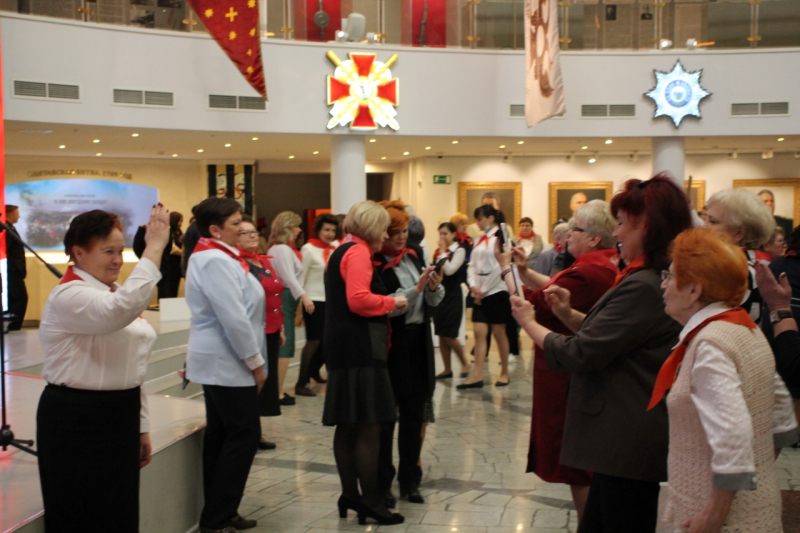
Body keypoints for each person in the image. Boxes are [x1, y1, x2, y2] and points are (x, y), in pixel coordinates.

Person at [509, 174, 693, 533]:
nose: (617, 233)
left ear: (647, 227)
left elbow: (582, 352)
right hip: (622, 439)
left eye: (622, 224)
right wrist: (567, 314)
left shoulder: (644, 284)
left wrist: (529, 323)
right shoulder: (642, 276)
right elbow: (609, 336)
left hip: (626, 437)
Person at [37, 206, 169, 533]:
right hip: (77, 419)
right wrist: (154, 248)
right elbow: (118, 312)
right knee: (81, 514)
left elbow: (132, 365)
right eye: (108, 251)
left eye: (120, 251)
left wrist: (141, 424)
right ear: (79, 252)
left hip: (120, 412)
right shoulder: (70, 295)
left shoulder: (110, 290)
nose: (118, 260)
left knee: (118, 513)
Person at [659, 228, 798, 532]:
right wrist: (758, 468)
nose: (664, 285)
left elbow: (733, 430)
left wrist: (714, 513)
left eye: (670, 276)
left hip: (719, 521)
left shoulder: (711, 343)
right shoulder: (745, 329)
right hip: (757, 510)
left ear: (694, 290)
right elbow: (782, 419)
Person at [496, 200, 619, 523]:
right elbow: (554, 287)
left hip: (567, 375)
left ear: (593, 238)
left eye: (576, 229)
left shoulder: (587, 273)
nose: (568, 235)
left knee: (579, 467)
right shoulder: (602, 264)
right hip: (576, 370)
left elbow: (528, 304)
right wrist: (524, 271)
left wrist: (505, 269)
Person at [322, 200, 407, 526]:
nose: (386, 235)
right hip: (360, 347)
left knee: (348, 424)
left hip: (344, 346)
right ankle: (370, 500)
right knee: (370, 424)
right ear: (372, 228)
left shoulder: (342, 250)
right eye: (383, 228)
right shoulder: (358, 252)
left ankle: (351, 495)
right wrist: (393, 302)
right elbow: (358, 300)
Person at [185, 197, 267, 533]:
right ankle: (217, 516)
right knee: (244, 435)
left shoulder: (220, 256)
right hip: (227, 360)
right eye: (235, 223)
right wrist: (255, 363)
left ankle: (222, 512)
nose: (242, 227)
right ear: (215, 229)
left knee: (223, 435)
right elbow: (233, 318)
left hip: (225, 359)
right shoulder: (214, 260)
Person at [374, 201, 444, 506]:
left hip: (419, 341)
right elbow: (384, 306)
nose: (402, 237)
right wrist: (416, 291)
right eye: (395, 232)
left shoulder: (414, 254)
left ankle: (410, 480)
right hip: (393, 343)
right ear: (382, 233)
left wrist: (433, 288)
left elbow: (432, 301)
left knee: (415, 416)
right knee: (387, 417)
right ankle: (382, 482)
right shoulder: (374, 262)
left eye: (404, 231)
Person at [237, 218, 284, 451]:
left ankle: (255, 431)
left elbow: (275, 295)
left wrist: (281, 326)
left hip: (271, 329)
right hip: (253, 330)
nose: (252, 235)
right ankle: (250, 433)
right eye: (245, 233)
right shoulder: (238, 265)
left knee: (264, 383)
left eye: (254, 231)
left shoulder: (263, 261)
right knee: (253, 382)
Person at [459, 204, 512, 389]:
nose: (478, 223)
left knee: (499, 332)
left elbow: (502, 265)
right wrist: (473, 285)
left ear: (491, 218)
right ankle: (477, 375)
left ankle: (504, 372)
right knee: (479, 332)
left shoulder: (501, 236)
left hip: (497, 290)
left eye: (480, 219)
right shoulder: (479, 239)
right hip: (479, 291)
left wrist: (484, 289)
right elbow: (472, 265)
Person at [704, 188, 776, 322]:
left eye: (712, 222)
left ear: (739, 233)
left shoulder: (736, 271)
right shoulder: (749, 264)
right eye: (706, 219)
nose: (704, 226)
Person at [267, 211, 314, 404]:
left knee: (285, 344)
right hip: (286, 298)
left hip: (285, 297)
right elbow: (288, 277)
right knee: (285, 346)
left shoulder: (277, 248)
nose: (299, 230)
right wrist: (304, 296)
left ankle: (276, 391)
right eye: (296, 226)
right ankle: (277, 393)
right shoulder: (283, 249)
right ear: (288, 228)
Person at [295, 213, 339, 395]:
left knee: (327, 340)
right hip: (313, 300)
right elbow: (300, 277)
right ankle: (301, 382)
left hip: (331, 300)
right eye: (326, 229)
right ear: (318, 230)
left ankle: (314, 370)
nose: (330, 234)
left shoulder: (335, 247)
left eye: (333, 230)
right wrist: (302, 300)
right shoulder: (309, 249)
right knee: (313, 341)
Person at [432, 222, 470, 379]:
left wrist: (442, 252)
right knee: (441, 333)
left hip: (453, 295)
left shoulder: (459, 250)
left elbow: (450, 270)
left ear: (453, 234)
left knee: (449, 334)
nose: (442, 237)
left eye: (445, 233)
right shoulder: (438, 252)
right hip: (439, 295)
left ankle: (465, 363)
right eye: (440, 233)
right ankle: (447, 369)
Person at [4, 204, 27, 330]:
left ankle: (13, 326)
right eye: (17, 214)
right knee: (20, 298)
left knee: (17, 298)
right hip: (12, 270)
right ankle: (13, 326)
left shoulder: (11, 228)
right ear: (10, 215)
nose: (19, 216)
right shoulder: (6, 229)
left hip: (15, 270)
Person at [158, 211, 184, 299]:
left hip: (176, 268)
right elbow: (172, 249)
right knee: (167, 292)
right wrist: (186, 253)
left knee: (174, 292)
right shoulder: (168, 232)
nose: (181, 223)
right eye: (180, 221)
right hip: (168, 267)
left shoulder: (178, 231)